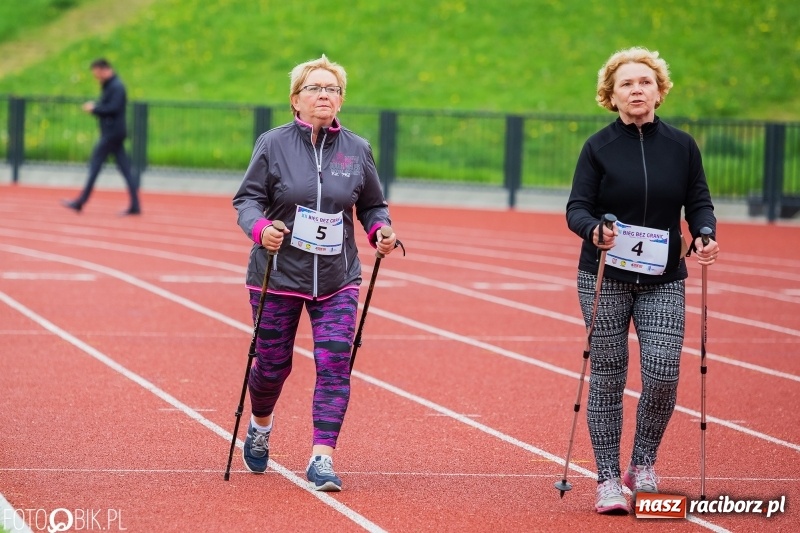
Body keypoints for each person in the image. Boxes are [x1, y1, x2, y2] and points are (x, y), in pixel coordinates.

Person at [232, 55, 398, 492]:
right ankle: (261, 425)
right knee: (271, 366)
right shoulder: (273, 144)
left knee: (335, 362)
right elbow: (246, 200)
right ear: (295, 100)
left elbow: (372, 205)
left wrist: (381, 229)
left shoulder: (357, 150)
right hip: (278, 274)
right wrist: (261, 228)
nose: (325, 95)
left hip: (337, 278)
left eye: (333, 89)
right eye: (315, 88)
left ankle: (322, 456)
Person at [565, 47, 720, 514]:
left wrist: (706, 233)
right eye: (627, 83)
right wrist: (595, 230)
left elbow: (699, 203)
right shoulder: (598, 147)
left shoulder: (682, 146)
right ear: (611, 95)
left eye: (645, 82)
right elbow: (576, 208)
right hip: (605, 276)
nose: (637, 89)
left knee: (663, 373)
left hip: (663, 278)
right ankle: (609, 478)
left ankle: (644, 464)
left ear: (659, 91)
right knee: (608, 377)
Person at [62, 58, 141, 215]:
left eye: (97, 74)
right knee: (125, 170)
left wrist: (94, 109)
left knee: (95, 166)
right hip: (112, 133)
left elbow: (113, 108)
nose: (96, 77)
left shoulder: (117, 86)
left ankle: (81, 201)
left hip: (113, 134)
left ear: (104, 69)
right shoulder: (110, 85)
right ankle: (135, 205)